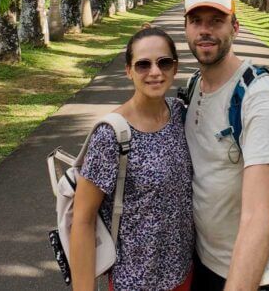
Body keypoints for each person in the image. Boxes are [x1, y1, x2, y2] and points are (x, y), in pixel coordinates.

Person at [70, 24, 195, 291]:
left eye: (164, 62)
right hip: (134, 281)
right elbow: (82, 220)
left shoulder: (179, 114)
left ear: (175, 67)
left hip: (183, 274)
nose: (155, 72)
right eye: (143, 64)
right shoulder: (111, 135)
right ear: (128, 70)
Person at [183, 0, 269, 290]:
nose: (205, 30)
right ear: (186, 29)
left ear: (235, 27)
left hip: (242, 273)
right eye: (196, 21)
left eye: (216, 21)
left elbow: (260, 216)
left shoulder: (258, 97)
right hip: (200, 259)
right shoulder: (194, 85)